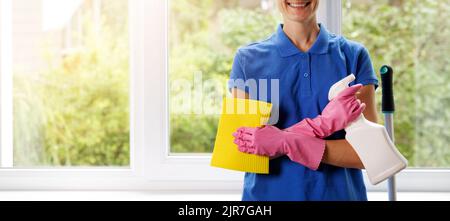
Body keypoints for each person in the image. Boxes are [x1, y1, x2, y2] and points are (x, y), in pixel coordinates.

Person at [228, 0, 379, 201]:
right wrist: (322, 125)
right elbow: (244, 151)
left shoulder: (353, 56)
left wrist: (284, 141)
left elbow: (369, 153)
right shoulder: (247, 60)